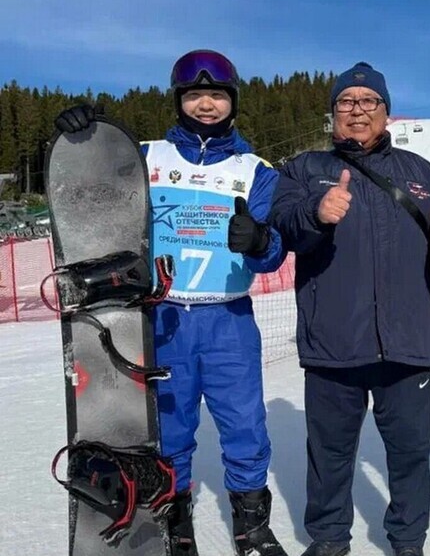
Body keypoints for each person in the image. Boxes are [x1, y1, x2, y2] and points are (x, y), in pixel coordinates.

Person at [54, 49, 288, 556]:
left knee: (245, 426)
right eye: (195, 95)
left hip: (228, 318)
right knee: (170, 428)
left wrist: (259, 241)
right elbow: (94, 193)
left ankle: (251, 527)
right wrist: (84, 137)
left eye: (217, 95)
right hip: (160, 318)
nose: (207, 104)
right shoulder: (146, 157)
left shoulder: (257, 170)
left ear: (233, 101)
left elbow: (275, 253)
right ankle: (173, 525)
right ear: (179, 99)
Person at [270, 61, 430, 556]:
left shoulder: (419, 173)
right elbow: (281, 227)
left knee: (410, 454)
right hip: (333, 343)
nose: (357, 111)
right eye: (346, 102)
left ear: (386, 112)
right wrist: (315, 213)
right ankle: (329, 539)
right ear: (332, 114)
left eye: (368, 101)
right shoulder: (305, 169)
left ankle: (408, 541)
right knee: (329, 456)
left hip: (408, 342)